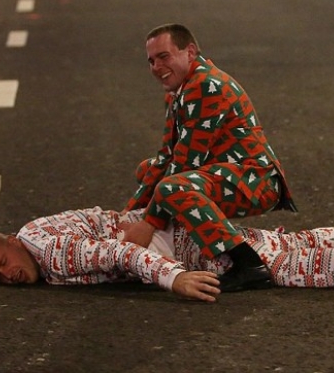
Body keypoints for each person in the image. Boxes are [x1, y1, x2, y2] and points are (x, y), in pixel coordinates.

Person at [120, 24, 296, 292]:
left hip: (255, 181)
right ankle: (189, 228)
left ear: (190, 52)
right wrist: (129, 211)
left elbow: (186, 162)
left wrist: (148, 223)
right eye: (151, 61)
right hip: (225, 173)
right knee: (148, 170)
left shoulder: (207, 86)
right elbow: (166, 156)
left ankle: (250, 265)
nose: (156, 67)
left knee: (172, 188)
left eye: (164, 56)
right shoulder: (179, 92)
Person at [0, 206, 334, 302]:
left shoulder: (51, 254)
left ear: (13, 244)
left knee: (289, 265)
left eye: (3, 263)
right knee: (290, 244)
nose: (6, 275)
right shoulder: (34, 231)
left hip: (178, 243)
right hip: (171, 221)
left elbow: (123, 255)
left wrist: (175, 279)